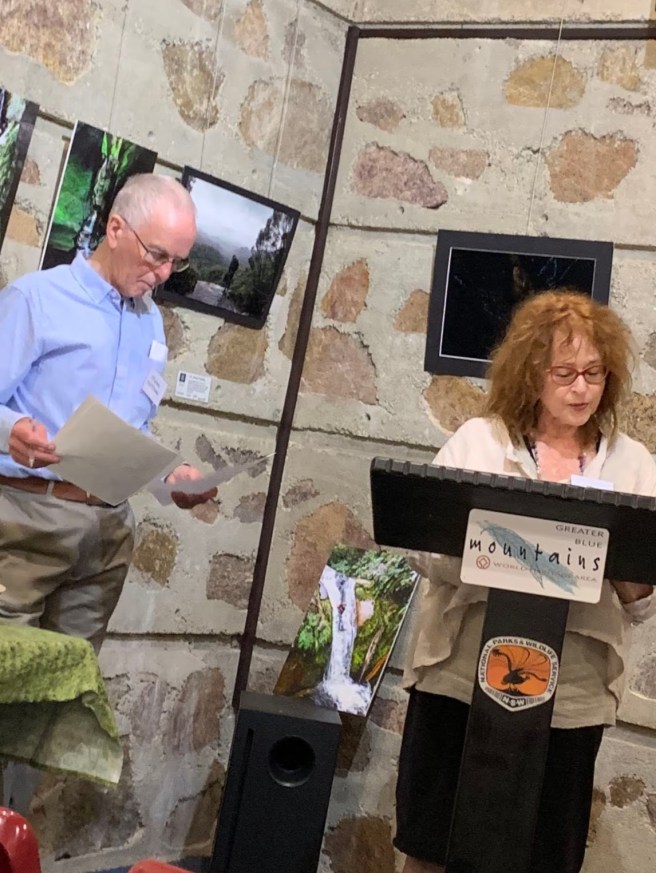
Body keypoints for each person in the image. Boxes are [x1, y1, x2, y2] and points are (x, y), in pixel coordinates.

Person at [395, 290, 656, 873]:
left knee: (542, 855)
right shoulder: (479, 442)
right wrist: (497, 543)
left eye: (594, 373)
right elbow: (423, 553)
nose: (582, 388)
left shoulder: (634, 464)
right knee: (432, 844)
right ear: (530, 373)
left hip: (571, 696)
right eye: (565, 373)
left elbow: (640, 605)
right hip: (462, 677)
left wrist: (624, 566)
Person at [0, 173, 217, 655]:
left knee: (70, 688)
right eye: (157, 255)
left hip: (106, 533)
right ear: (116, 229)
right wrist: (9, 429)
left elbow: (129, 426)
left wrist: (170, 475)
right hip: (27, 518)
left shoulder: (149, 320)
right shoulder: (36, 299)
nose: (163, 274)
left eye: (176, 263)